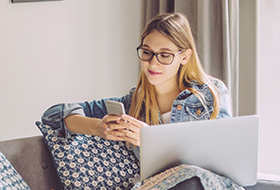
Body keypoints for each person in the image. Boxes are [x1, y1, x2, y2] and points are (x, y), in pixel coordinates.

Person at [42, 13, 233, 189]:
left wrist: (151, 139)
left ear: (185, 56)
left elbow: (221, 160)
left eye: (165, 55)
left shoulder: (210, 94)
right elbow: (53, 114)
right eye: (147, 52)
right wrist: (98, 127)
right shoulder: (134, 102)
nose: (153, 63)